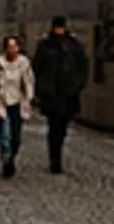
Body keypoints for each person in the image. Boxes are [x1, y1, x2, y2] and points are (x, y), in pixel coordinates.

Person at [32, 15, 88, 174]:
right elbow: (38, 68)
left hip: (68, 93)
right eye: (57, 28)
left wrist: (78, 85)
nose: (59, 30)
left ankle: (57, 153)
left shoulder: (74, 45)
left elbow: (83, 66)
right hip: (52, 94)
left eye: (61, 28)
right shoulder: (46, 46)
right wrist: (42, 89)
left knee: (63, 127)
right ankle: (54, 159)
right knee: (54, 126)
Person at [0, 35, 35, 177]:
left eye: (14, 47)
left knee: (16, 137)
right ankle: (6, 160)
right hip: (1, 103)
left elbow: (28, 82)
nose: (12, 50)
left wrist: (28, 97)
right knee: (4, 135)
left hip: (17, 102)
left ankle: (12, 156)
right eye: (9, 47)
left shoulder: (23, 63)